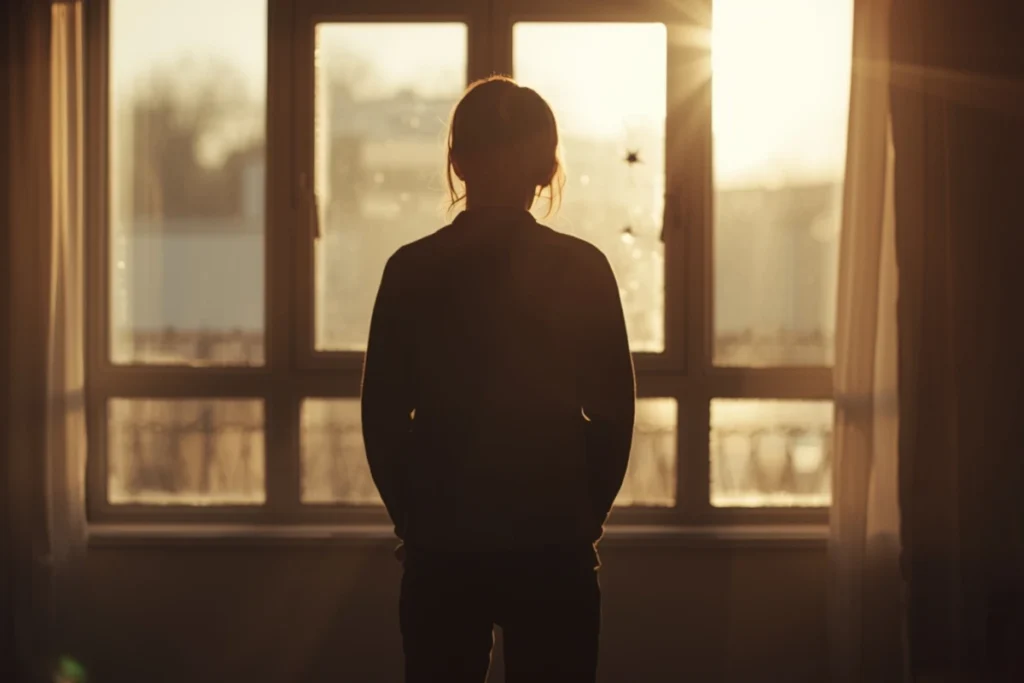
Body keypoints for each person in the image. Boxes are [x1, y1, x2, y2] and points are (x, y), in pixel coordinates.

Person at [361, 75, 636, 683]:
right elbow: (614, 413)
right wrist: (582, 513)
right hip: (552, 543)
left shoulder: (411, 270)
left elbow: (381, 417)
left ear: (457, 162)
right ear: (547, 168)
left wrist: (415, 518)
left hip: (445, 545)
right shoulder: (582, 269)